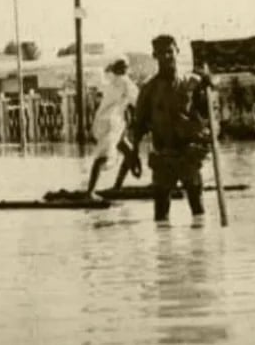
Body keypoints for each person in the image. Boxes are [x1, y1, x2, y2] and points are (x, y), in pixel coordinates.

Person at [130, 35, 212, 223]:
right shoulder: (149, 89)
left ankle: (199, 246)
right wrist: (134, 153)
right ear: (155, 55)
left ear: (177, 52)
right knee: (161, 214)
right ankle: (163, 250)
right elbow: (139, 125)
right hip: (163, 154)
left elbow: (207, 117)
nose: (167, 56)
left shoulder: (191, 83)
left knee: (197, 209)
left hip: (189, 153)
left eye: (170, 52)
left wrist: (207, 88)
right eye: (161, 53)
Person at [85, 56, 140, 197]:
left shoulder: (111, 80)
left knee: (128, 152)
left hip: (104, 121)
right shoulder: (126, 82)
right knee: (105, 156)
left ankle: (117, 187)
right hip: (112, 122)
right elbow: (138, 101)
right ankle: (90, 192)